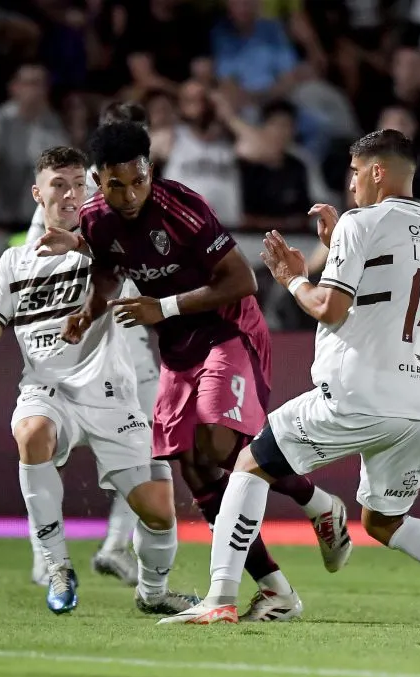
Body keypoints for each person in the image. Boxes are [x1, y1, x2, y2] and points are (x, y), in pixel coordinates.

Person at [158, 129, 420, 627]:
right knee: (384, 521)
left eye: (353, 173)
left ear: (376, 172)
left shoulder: (361, 221)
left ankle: (221, 597)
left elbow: (329, 307)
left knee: (248, 464)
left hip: (359, 395)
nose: (349, 186)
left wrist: (294, 278)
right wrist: (338, 246)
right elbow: (385, 289)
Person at [35, 122, 352, 622]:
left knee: (216, 447)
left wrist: (161, 308)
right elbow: (108, 273)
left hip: (229, 334)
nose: (130, 194)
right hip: (179, 349)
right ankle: (275, 587)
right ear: (99, 181)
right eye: (116, 184)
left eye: (138, 180)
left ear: (150, 170)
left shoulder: (180, 207)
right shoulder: (96, 220)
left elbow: (241, 279)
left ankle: (317, 504)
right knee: (195, 467)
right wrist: (88, 312)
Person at [0, 146, 198, 616]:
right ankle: (57, 566)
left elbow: (146, 253)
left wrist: (87, 244)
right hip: (48, 391)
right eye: (58, 185)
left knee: (159, 512)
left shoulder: (110, 241)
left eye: (77, 185)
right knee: (31, 432)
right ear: (37, 192)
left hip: (111, 397)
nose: (69, 194)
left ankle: (154, 593)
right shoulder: (14, 263)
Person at [22, 102, 155, 589]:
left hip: (128, 334)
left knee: (146, 446)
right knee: (44, 446)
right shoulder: (75, 194)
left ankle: (117, 546)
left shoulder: (141, 195)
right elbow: (40, 261)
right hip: (76, 335)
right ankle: (48, 555)